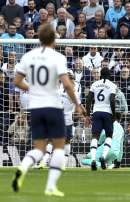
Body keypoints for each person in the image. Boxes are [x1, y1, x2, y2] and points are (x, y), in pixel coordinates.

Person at [11, 23, 87, 197]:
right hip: (53, 106)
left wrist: (33, 89)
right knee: (59, 147)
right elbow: (67, 85)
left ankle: (23, 167)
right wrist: (77, 104)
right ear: (53, 39)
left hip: (35, 107)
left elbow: (16, 82)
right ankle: (51, 186)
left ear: (39, 38)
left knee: (39, 148)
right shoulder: (58, 57)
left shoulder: (28, 56)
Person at [38, 70, 82, 168]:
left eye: (70, 79)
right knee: (54, 140)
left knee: (63, 141)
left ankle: (61, 163)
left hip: (65, 119)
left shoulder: (66, 91)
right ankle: (45, 161)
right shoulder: (68, 92)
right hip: (60, 118)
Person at [86, 67, 117, 170]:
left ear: (100, 75)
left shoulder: (94, 84)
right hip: (107, 113)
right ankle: (103, 156)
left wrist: (87, 114)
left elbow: (89, 99)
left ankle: (93, 160)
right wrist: (114, 113)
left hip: (96, 112)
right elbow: (112, 100)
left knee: (95, 136)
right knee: (109, 136)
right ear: (109, 75)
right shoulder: (112, 85)